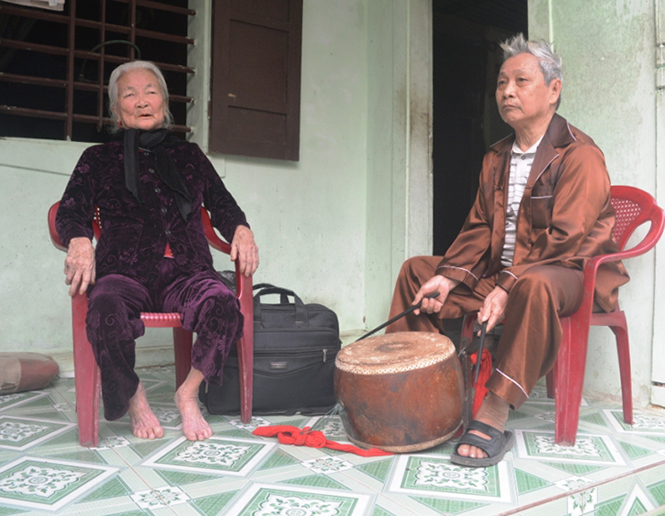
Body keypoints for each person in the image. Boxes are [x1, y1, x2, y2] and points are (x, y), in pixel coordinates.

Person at [386, 34, 629, 467]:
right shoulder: (496, 157)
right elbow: (479, 227)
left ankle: (494, 411)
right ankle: (426, 392)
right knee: (416, 272)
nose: (507, 91)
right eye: (501, 82)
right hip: (508, 274)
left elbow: (568, 239)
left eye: (521, 80)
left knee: (532, 284)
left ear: (554, 90)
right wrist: (448, 273)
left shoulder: (579, 155)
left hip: (569, 273)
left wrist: (508, 285)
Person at [56, 60, 259, 442]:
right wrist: (80, 240)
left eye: (150, 92)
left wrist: (241, 229)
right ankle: (135, 397)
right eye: (129, 94)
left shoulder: (190, 156)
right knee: (103, 311)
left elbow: (223, 204)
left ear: (164, 104)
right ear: (117, 111)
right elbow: (70, 210)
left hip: (187, 271)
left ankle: (189, 392)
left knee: (223, 303)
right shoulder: (97, 158)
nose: (142, 101)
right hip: (124, 272)